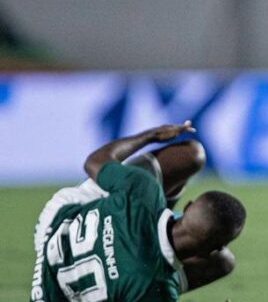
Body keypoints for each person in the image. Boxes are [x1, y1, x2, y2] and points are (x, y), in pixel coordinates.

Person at [31, 121, 246, 302]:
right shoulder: (156, 289)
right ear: (213, 248)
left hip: (55, 225)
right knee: (223, 264)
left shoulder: (143, 188)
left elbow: (94, 161)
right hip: (57, 293)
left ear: (188, 207)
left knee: (191, 155)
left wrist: (150, 135)